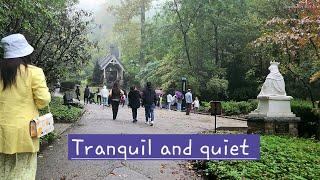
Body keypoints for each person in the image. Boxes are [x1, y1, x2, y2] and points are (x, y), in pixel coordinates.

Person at [0, 34, 51, 179]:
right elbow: (43, 101)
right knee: (24, 171)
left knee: (3, 170)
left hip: (2, 131)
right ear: (25, 53)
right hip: (26, 132)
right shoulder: (34, 72)